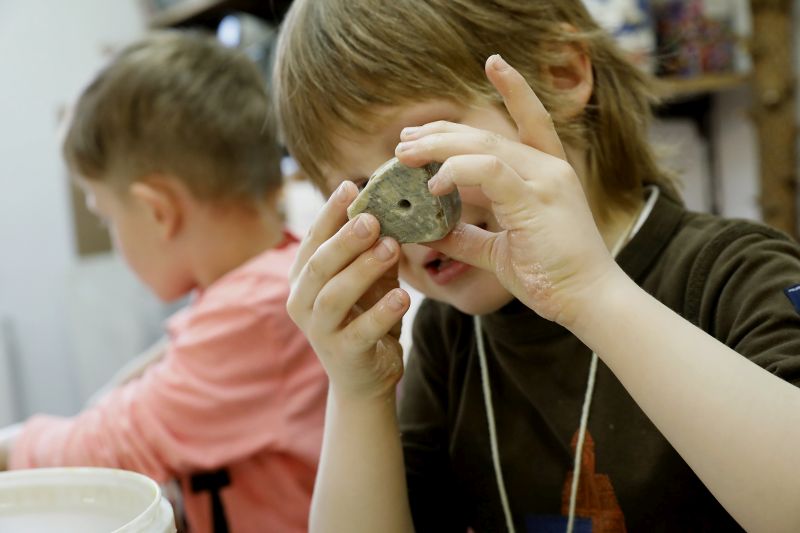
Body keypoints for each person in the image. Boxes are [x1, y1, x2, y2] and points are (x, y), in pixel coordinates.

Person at [272, 1, 800, 532]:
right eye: (364, 194)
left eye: (421, 159)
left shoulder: (731, 274)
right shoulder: (450, 338)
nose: (418, 227)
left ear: (561, 74)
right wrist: (358, 395)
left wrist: (592, 293)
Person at [0, 31, 327, 533]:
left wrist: (10, 447)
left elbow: (107, 451)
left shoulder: (258, 312)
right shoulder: (267, 285)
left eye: (107, 217)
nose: (114, 236)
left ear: (158, 212)